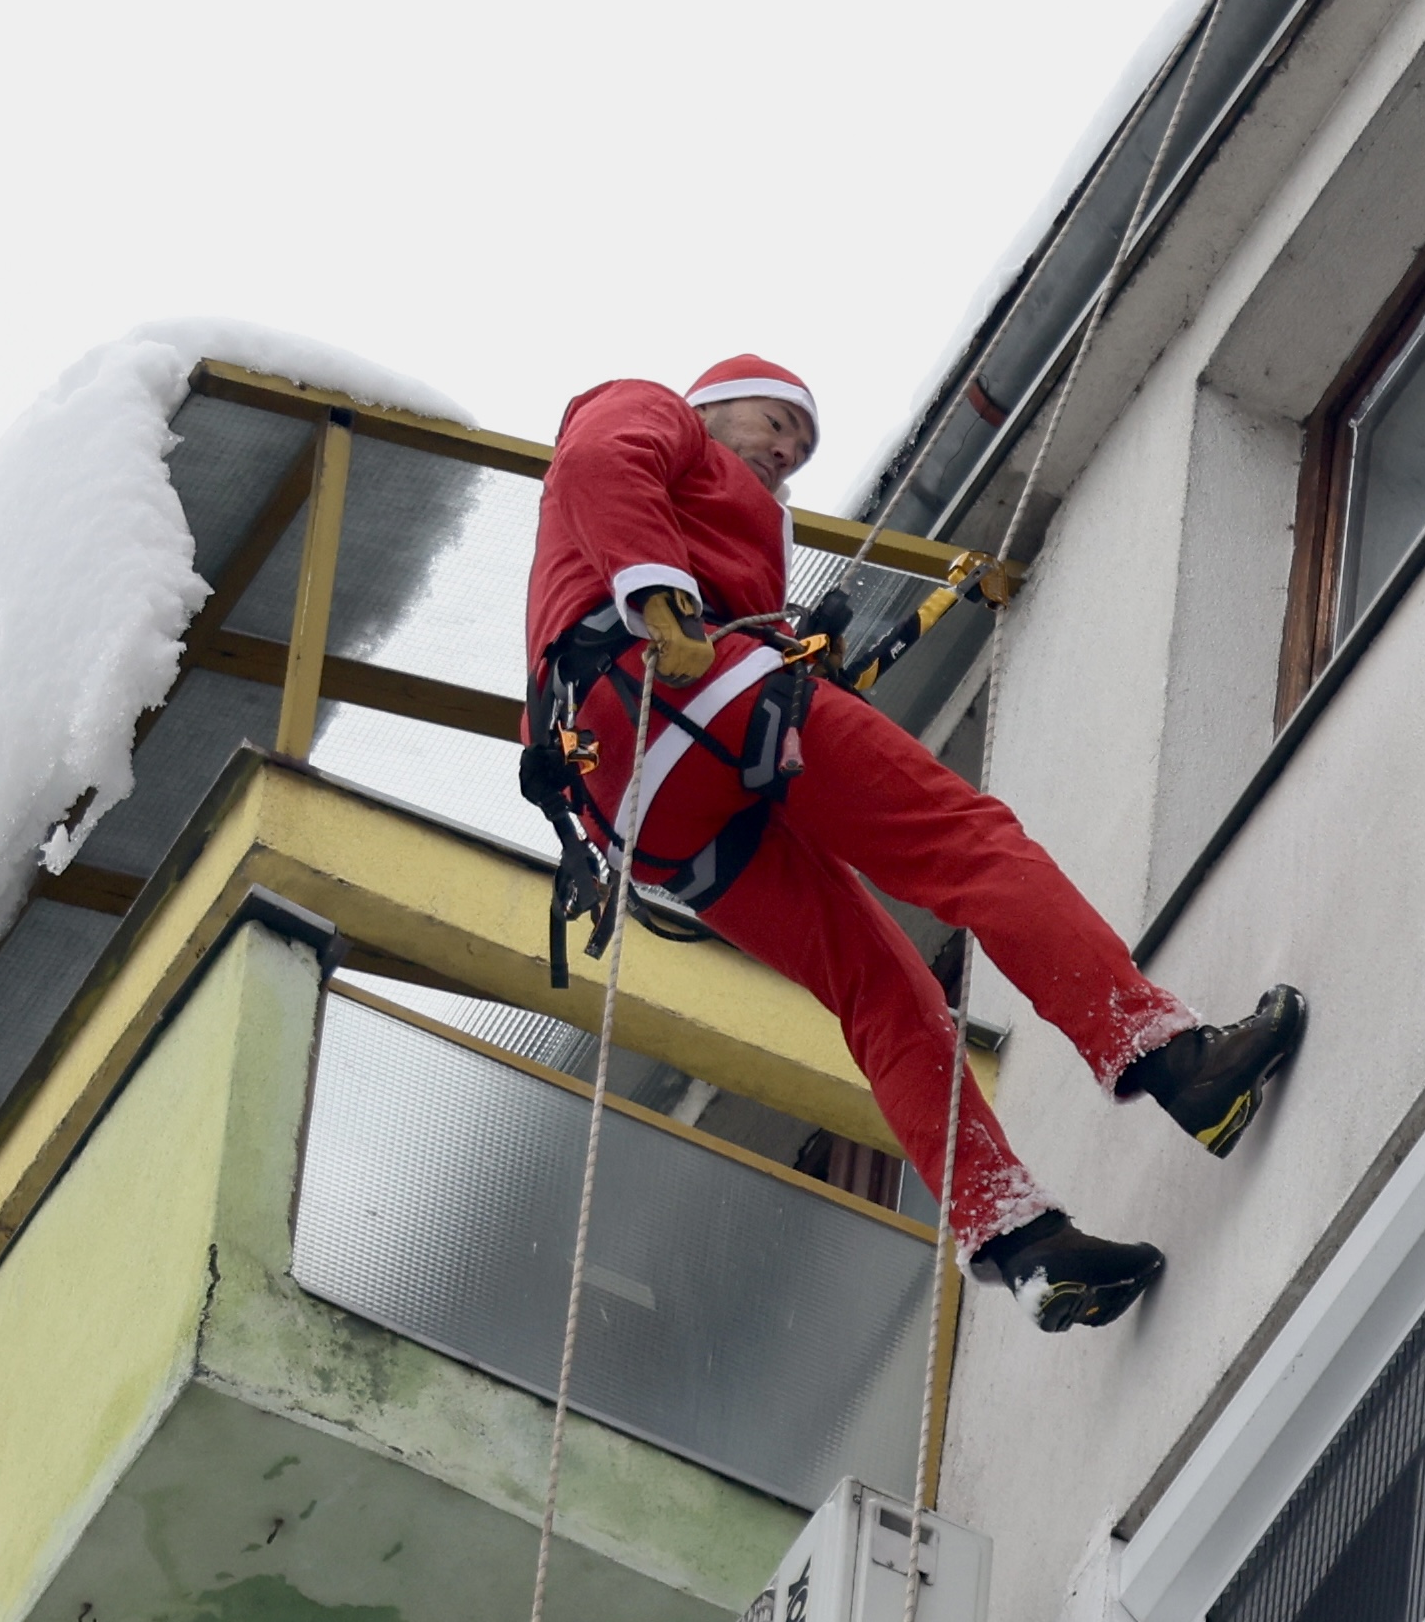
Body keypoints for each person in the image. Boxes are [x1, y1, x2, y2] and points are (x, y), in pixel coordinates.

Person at [523, 353, 1307, 1331]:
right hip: (673, 685)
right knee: (967, 845)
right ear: (710, 403)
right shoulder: (648, 411)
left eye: (801, 448)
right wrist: (662, 602)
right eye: (775, 421)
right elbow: (601, 458)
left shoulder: (730, 524)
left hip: (636, 801)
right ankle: (1168, 1054)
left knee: (884, 992)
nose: (786, 451)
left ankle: (1019, 1239)